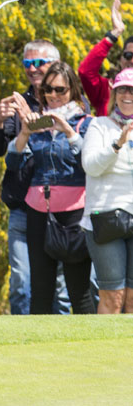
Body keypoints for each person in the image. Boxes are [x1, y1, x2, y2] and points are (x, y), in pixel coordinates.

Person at [0, 39, 70, 315]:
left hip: (60, 207)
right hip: (22, 205)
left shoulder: (65, 96)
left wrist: (31, 120)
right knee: (21, 282)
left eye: (39, 63)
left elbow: (69, 125)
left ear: (54, 64)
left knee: (60, 286)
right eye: (27, 64)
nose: (33, 69)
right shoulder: (19, 101)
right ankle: (20, 340)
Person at [6, 61, 96, 314]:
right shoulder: (36, 125)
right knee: (40, 289)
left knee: (78, 290)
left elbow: (89, 165)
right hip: (38, 210)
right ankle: (36, 348)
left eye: (60, 90)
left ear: (73, 91)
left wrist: (67, 130)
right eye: (48, 90)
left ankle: (87, 347)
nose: (53, 96)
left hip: (75, 212)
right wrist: (24, 133)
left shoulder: (87, 124)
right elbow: (13, 163)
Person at [81, 69, 133, 313]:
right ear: (114, 94)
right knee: (113, 296)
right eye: (122, 89)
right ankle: (104, 351)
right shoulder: (99, 126)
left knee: (132, 299)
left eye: (132, 90)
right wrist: (117, 144)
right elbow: (91, 167)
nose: (127, 94)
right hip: (105, 221)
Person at [78, 0, 133, 115]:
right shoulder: (106, 89)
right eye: (128, 55)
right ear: (121, 59)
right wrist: (114, 33)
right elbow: (85, 72)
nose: (132, 60)